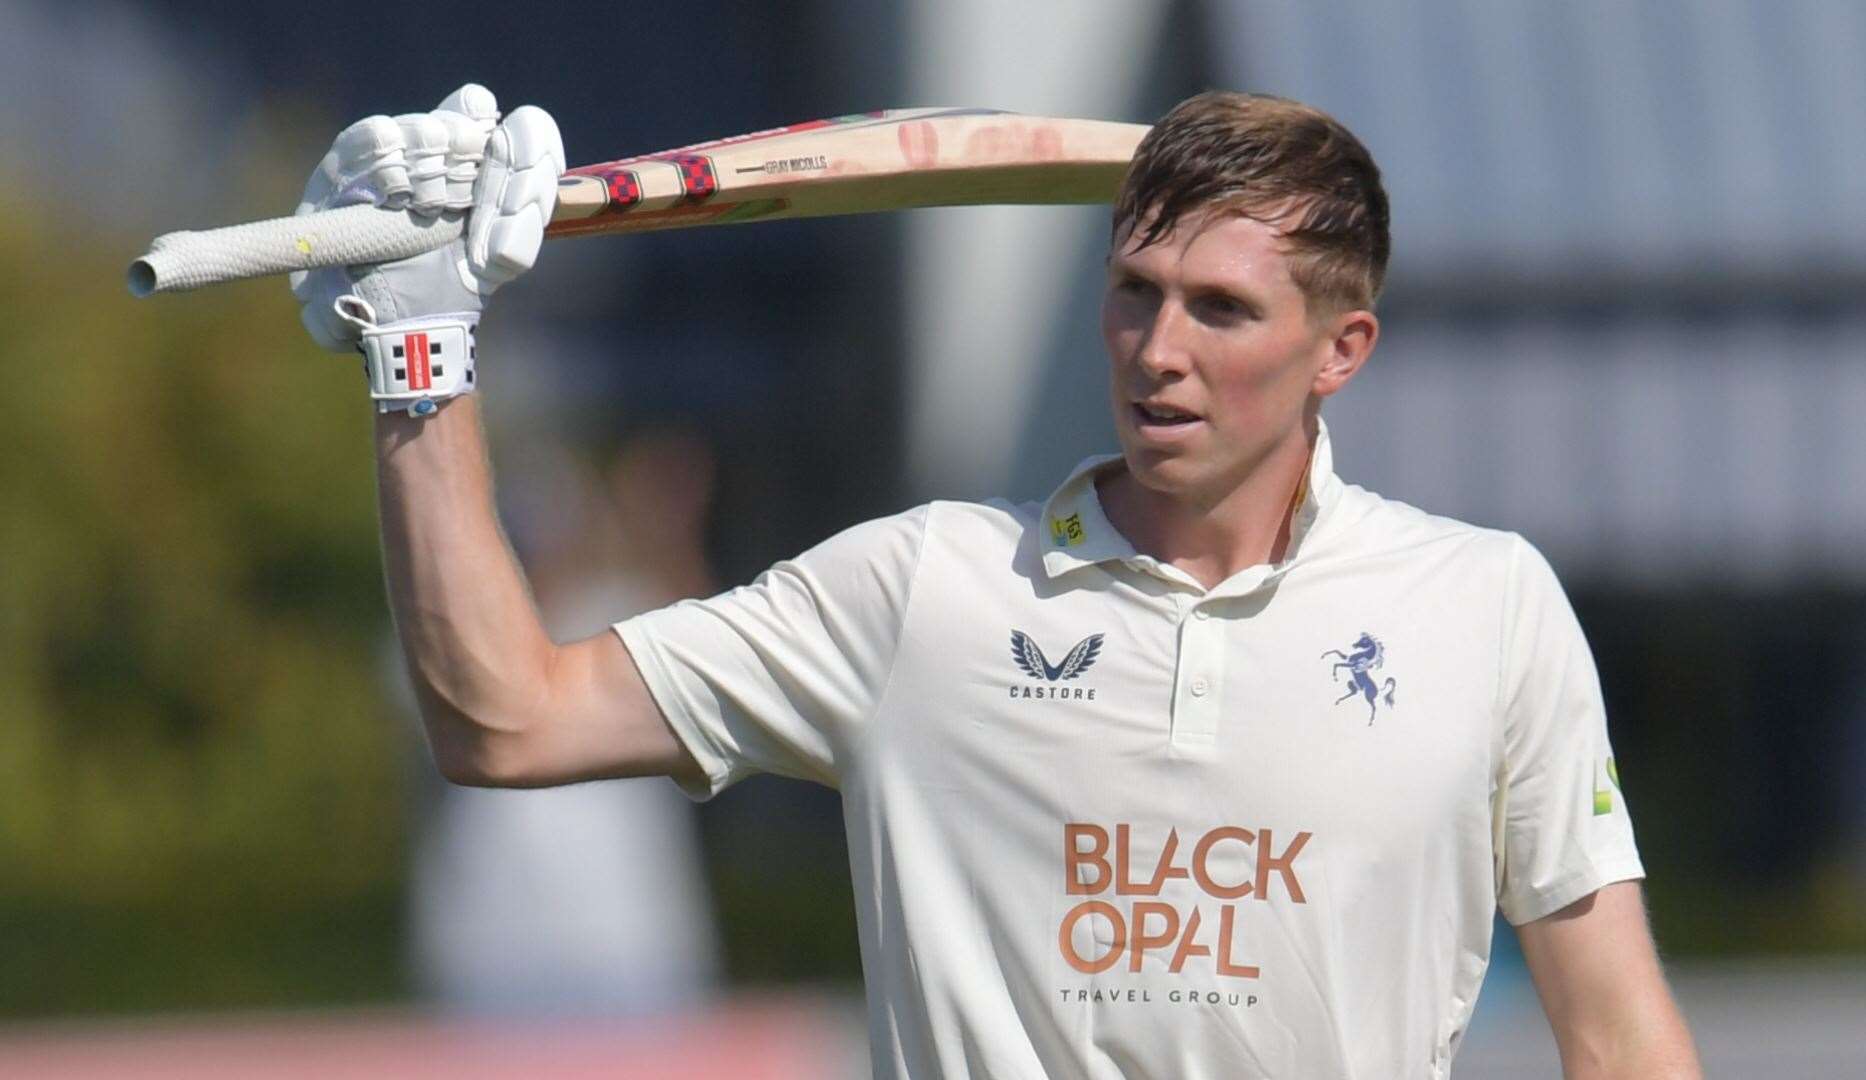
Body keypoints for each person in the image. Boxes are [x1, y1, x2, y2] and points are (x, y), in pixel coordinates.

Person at [297, 83, 1703, 1078]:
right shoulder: (920, 589)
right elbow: (506, 719)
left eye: (1221, 309)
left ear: (1341, 350)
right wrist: (422, 352)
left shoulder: (1484, 605)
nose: (1158, 350)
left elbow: (1619, 1037)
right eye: (1135, 289)